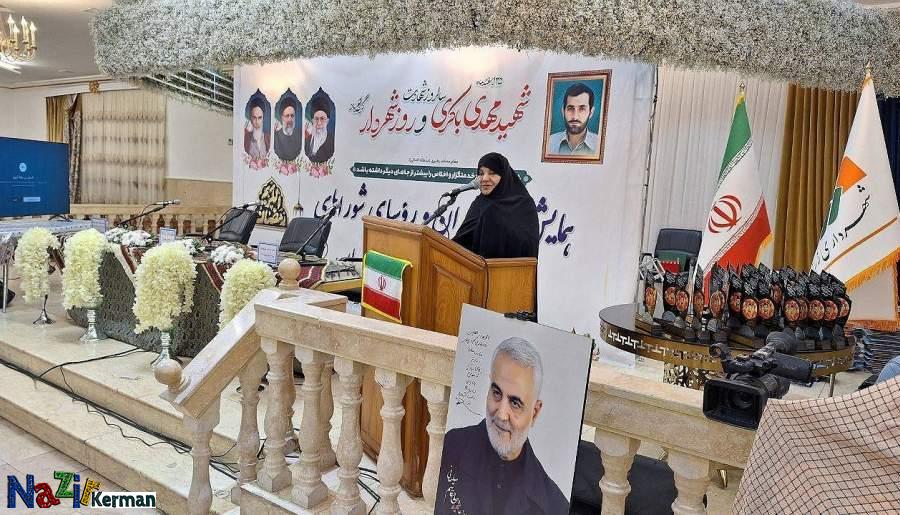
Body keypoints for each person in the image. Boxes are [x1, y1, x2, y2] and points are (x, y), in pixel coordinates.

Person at [435, 337, 568, 515]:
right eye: (497, 393)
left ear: (535, 413)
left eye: (515, 403)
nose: (501, 415)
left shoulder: (554, 506)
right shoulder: (451, 447)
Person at [451, 152, 540, 259]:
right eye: (481, 173)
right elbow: (461, 243)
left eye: (492, 173)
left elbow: (528, 246)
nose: (484, 178)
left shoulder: (524, 205)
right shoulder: (479, 204)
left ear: (504, 176)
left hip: (513, 268)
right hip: (477, 268)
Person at [548, 83, 599, 156]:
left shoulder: (600, 145)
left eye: (582, 109)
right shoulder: (549, 142)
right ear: (563, 111)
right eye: (570, 108)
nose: (575, 117)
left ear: (591, 113)